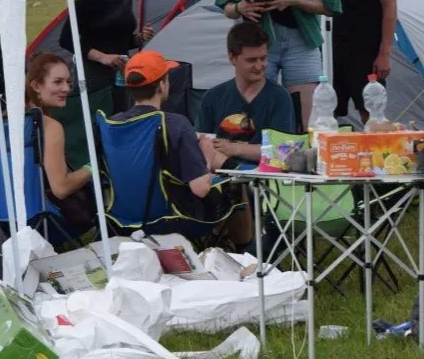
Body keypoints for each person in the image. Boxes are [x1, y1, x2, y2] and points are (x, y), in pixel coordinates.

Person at [58, 0, 153, 115]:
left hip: (120, 76)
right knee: (99, 124)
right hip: (94, 78)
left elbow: (119, 38)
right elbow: (66, 40)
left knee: (120, 118)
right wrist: (102, 57)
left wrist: (139, 37)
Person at [114, 51, 219, 200]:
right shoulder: (177, 124)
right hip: (170, 217)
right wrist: (207, 157)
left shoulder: (113, 124)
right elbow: (200, 189)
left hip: (122, 216)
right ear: (162, 86)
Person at [196, 22, 295, 169]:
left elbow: (284, 152)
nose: (259, 66)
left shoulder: (279, 97)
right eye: (251, 60)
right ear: (232, 58)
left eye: (263, 58)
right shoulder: (213, 97)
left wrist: (236, 149)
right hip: (221, 177)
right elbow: (199, 144)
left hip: (265, 178)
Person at [18, 52, 97, 234]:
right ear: (36, 86)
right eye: (58, 82)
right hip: (45, 221)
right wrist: (93, 167)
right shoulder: (50, 127)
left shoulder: (10, 118)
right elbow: (61, 188)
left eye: (68, 82)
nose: (67, 89)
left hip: (7, 218)